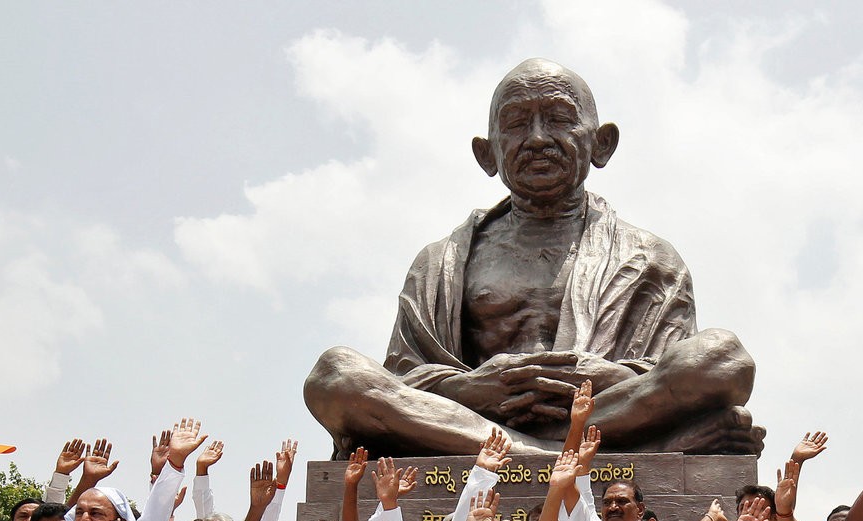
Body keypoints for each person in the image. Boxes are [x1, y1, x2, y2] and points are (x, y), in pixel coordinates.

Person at [305, 59, 760, 457]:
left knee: (724, 358)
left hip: (603, 414)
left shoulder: (651, 259)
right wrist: (466, 389)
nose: (538, 137)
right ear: (487, 153)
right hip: (468, 419)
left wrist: (611, 377)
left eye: (560, 118)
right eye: (518, 122)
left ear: (602, 144)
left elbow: (668, 378)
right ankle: (549, 454)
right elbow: (404, 380)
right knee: (334, 376)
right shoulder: (440, 262)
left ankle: (535, 449)